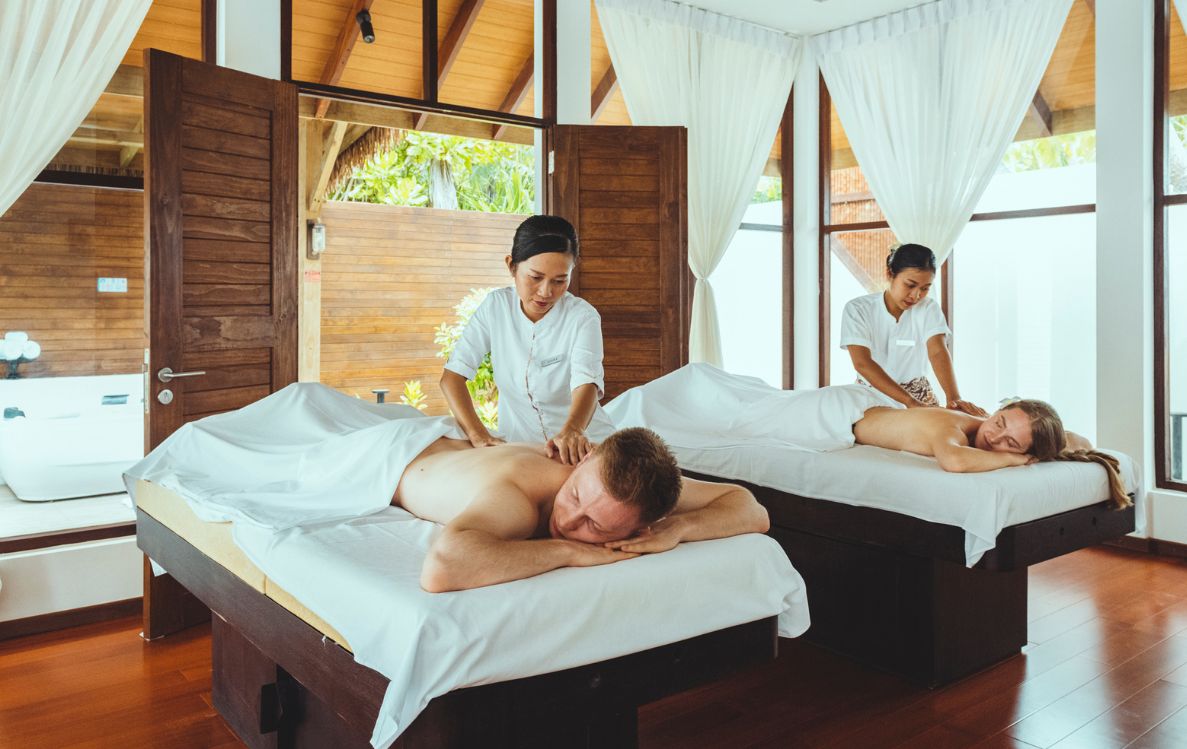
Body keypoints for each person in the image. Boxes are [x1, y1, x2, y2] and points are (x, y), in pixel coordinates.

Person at [392, 427, 770, 593]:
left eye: (596, 524)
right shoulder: (518, 501)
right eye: (574, 495)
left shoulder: (637, 484)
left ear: (643, 524)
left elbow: (750, 508)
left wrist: (677, 529)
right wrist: (568, 550)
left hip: (453, 447)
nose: (567, 520)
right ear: (586, 458)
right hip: (395, 453)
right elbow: (443, 567)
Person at [441, 215, 614, 465]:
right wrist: (478, 434)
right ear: (512, 266)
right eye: (535, 277)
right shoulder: (496, 307)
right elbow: (452, 377)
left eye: (560, 280)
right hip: (521, 452)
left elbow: (586, 382)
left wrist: (573, 431)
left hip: (584, 447)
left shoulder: (582, 317)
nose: (546, 292)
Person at [853, 397, 1130, 508]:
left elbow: (1080, 441)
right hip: (849, 414)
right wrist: (1011, 456)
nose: (993, 437)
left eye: (1010, 442)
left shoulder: (983, 426)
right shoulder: (950, 427)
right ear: (997, 411)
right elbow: (954, 461)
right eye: (999, 423)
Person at [840, 243, 985, 416]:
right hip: (872, 394)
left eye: (925, 288)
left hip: (920, 396)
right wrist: (909, 402)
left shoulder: (928, 308)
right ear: (890, 274)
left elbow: (937, 351)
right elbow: (862, 363)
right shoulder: (858, 309)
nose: (916, 296)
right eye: (910, 285)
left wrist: (954, 399)